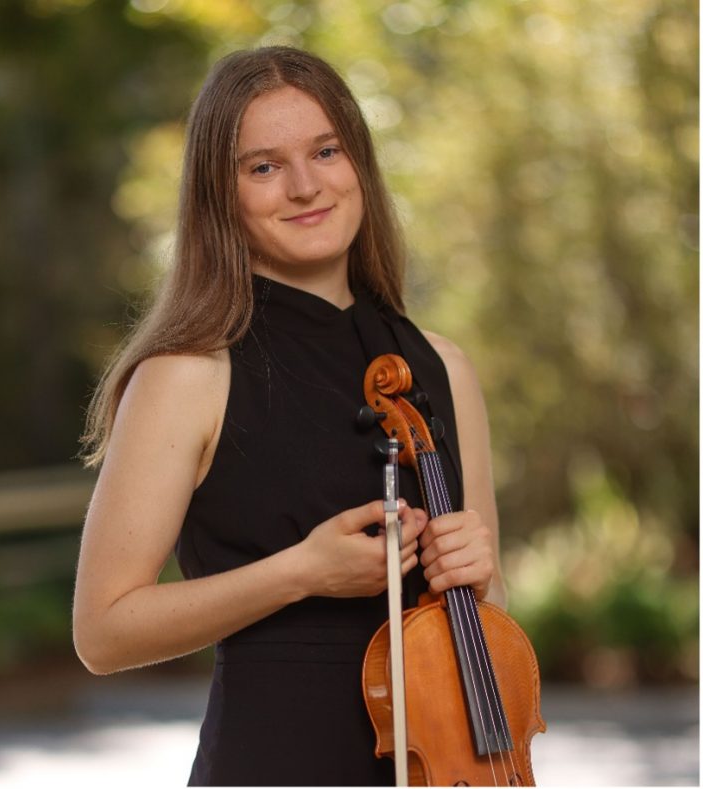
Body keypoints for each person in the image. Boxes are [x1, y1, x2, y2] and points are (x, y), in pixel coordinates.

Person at [73, 46, 505, 786]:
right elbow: (103, 631)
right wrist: (301, 571)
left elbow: (490, 616)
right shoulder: (189, 374)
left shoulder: (443, 366)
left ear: (359, 164)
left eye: (326, 151)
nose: (306, 185)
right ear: (221, 194)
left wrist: (479, 569)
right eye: (263, 166)